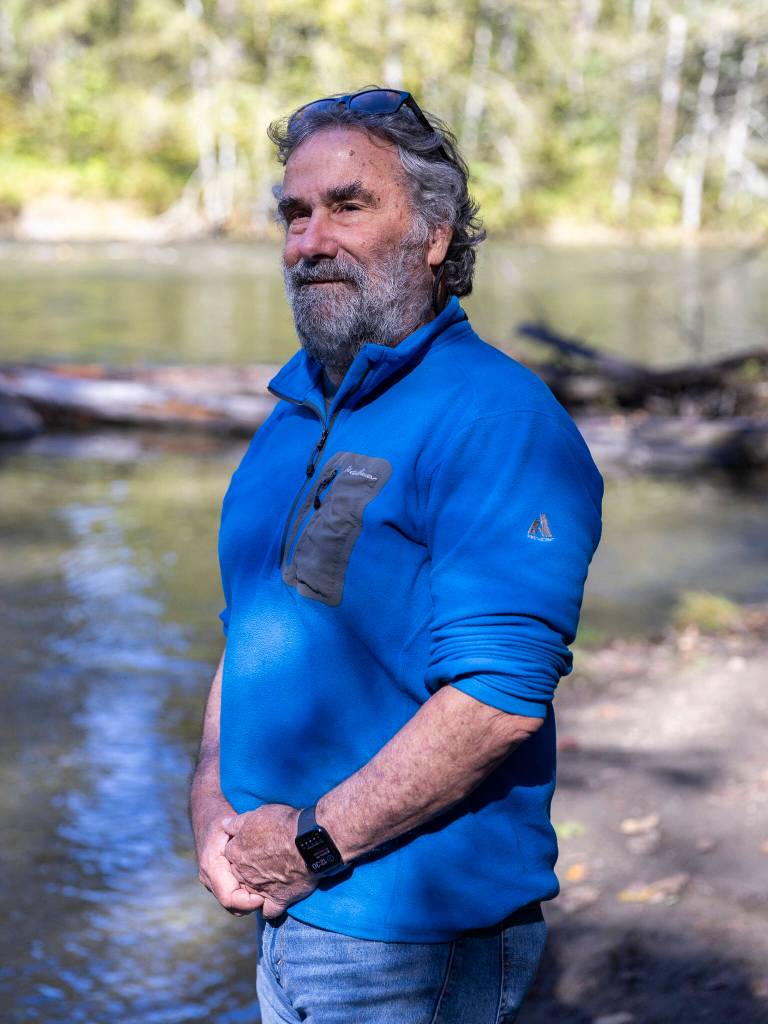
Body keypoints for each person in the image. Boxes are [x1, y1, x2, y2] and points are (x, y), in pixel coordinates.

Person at [190, 87, 603, 1024]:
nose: (310, 240)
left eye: (348, 205)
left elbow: (497, 701)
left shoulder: (500, 421)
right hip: (286, 909)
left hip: (413, 940)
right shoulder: (293, 409)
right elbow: (248, 624)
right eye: (295, 214)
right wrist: (211, 801)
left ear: (432, 234)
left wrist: (313, 845)